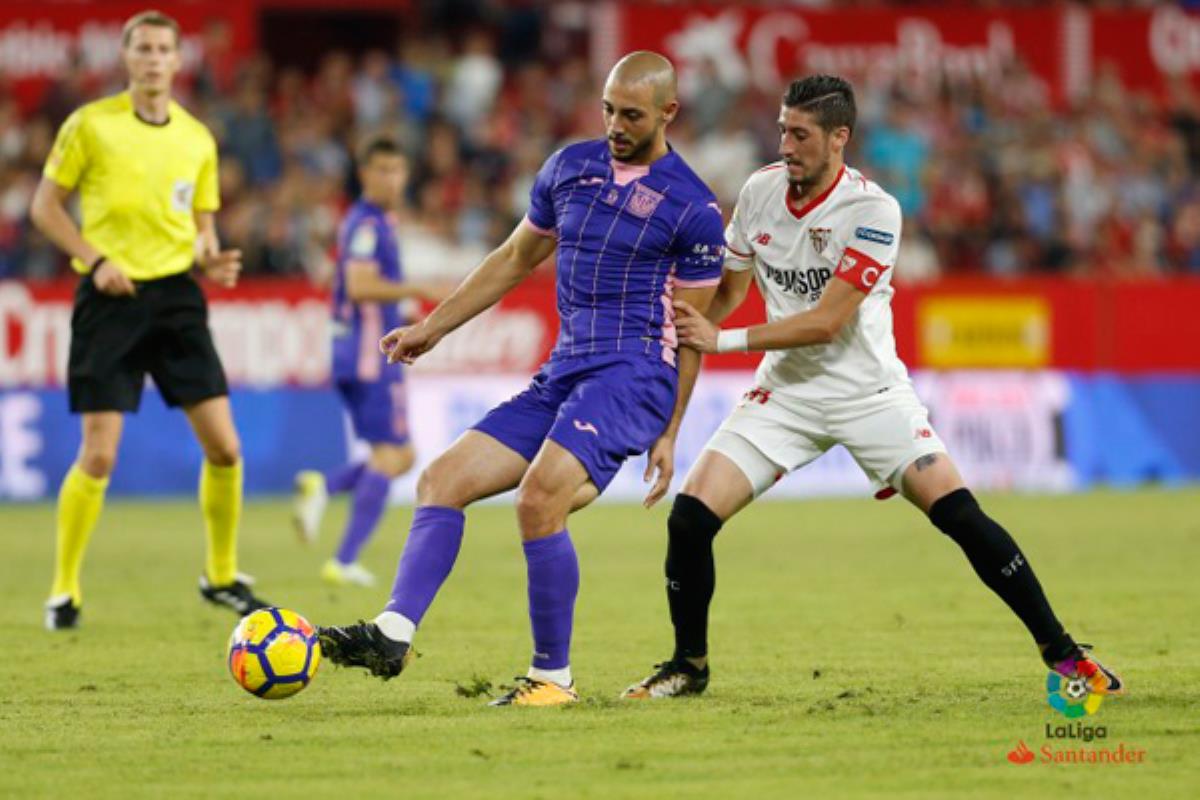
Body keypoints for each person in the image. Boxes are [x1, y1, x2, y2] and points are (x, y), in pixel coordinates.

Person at [622, 75, 1125, 701]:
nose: (786, 144)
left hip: (871, 395)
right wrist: (692, 325)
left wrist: (720, 341)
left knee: (961, 516)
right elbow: (729, 293)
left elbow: (828, 321)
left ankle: (1066, 656)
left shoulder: (873, 210)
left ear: (840, 139)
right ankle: (688, 666)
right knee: (691, 519)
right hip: (787, 394)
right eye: (782, 129)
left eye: (801, 134)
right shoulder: (758, 192)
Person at [317, 51, 725, 706]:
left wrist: (671, 431)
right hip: (566, 369)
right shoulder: (569, 168)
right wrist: (434, 327)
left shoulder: (694, 208)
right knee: (440, 480)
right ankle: (392, 633)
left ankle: (551, 679)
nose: (615, 124)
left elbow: (693, 329)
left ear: (668, 113)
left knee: (539, 499)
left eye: (632, 114)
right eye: (608, 109)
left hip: (634, 373)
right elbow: (513, 258)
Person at [31, 10, 269, 630]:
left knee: (224, 447)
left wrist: (210, 258)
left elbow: (202, 228)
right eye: (144, 48)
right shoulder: (91, 125)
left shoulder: (196, 138)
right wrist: (93, 258)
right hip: (110, 299)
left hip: (176, 298)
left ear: (178, 59)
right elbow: (44, 207)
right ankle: (64, 588)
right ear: (127, 57)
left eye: (165, 48)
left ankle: (220, 575)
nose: (155, 58)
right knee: (100, 456)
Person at [292, 135, 445, 587]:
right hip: (367, 354)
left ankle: (325, 487)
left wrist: (404, 313)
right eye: (382, 170)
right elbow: (359, 286)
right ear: (365, 174)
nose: (391, 178)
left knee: (403, 454)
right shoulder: (366, 224)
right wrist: (416, 289)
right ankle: (343, 560)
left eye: (397, 170)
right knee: (389, 455)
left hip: (363, 347)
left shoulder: (375, 221)